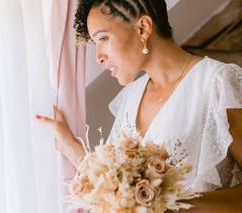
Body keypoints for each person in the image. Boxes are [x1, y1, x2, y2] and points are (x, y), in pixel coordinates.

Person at [36, 0, 242, 212]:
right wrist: (67, 141)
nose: (98, 57)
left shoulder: (217, 83)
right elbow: (116, 182)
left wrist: (175, 204)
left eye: (103, 38)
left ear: (143, 28)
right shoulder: (132, 96)